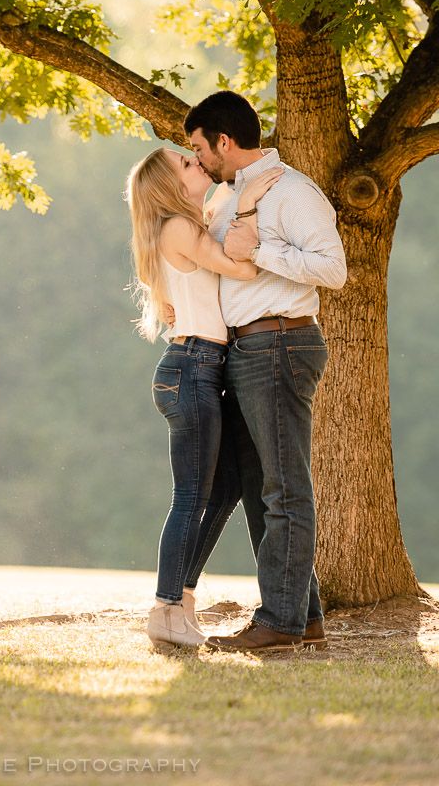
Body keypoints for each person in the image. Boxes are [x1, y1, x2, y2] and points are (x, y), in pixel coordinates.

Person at [181, 90, 347, 654]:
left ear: (224, 142)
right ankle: (304, 615)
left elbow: (333, 269)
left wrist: (263, 251)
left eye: (198, 147)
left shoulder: (294, 193)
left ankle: (279, 622)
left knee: (283, 487)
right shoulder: (230, 197)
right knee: (260, 487)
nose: (198, 157)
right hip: (246, 352)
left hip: (280, 343)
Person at [125, 146, 282, 649]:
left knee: (227, 485)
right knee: (190, 496)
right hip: (191, 368)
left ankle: (181, 601)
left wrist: (232, 201)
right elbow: (242, 269)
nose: (199, 166)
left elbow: (214, 230)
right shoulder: (178, 228)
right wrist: (252, 203)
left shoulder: (184, 225)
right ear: (170, 186)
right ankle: (166, 608)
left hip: (198, 367)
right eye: (187, 165)